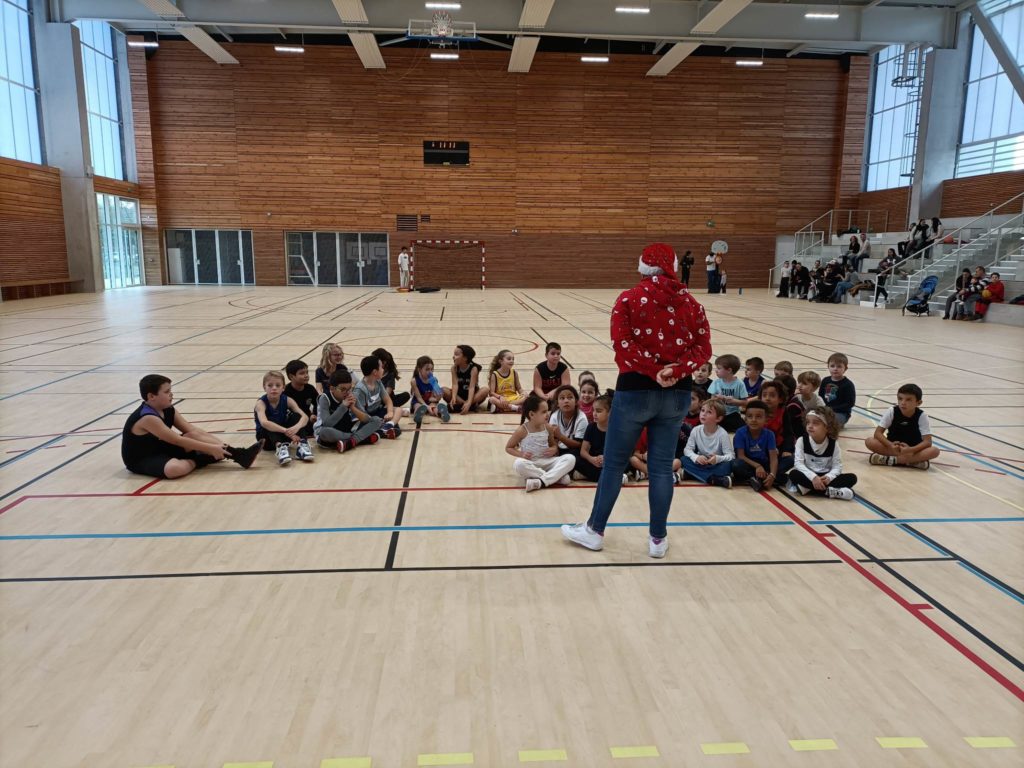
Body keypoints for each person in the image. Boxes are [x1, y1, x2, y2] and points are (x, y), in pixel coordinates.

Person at [561, 242, 712, 558]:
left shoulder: (628, 298)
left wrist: (654, 371)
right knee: (661, 468)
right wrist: (675, 370)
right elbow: (703, 348)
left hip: (635, 390)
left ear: (643, 266)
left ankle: (594, 531)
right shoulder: (692, 304)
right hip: (678, 393)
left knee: (614, 463)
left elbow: (623, 344)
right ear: (672, 266)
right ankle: (657, 539)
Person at [122, 374, 260, 479]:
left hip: (162, 448)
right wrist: (210, 448)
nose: (171, 394)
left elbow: (191, 431)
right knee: (174, 469)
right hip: (144, 458)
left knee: (194, 435)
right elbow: (177, 440)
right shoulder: (147, 417)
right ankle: (199, 459)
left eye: (171, 390)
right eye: (166, 392)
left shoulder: (168, 409)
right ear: (151, 396)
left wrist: (217, 446)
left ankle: (238, 454)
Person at [506, 394, 575, 492]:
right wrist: (521, 454)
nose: (548, 414)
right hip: (531, 463)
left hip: (548, 462)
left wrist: (554, 449)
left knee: (570, 458)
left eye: (547, 411)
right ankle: (555, 478)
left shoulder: (548, 427)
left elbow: (553, 445)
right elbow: (509, 447)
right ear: (532, 414)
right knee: (518, 464)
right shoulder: (522, 430)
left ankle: (540, 481)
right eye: (544, 412)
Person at [787, 407, 858, 500]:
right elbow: (798, 464)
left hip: (825, 477)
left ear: (827, 427)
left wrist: (829, 477)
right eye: (808, 422)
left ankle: (807, 489)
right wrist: (813, 477)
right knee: (793, 474)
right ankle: (831, 492)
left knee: (852, 478)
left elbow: (837, 467)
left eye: (815, 423)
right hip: (809, 475)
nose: (810, 426)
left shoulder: (833, 444)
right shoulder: (801, 441)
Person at [865, 383, 940, 470]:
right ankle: (912, 461)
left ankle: (891, 460)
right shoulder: (892, 411)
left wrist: (911, 449)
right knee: (869, 441)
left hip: (912, 450)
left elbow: (927, 442)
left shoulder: (922, 416)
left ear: (918, 403)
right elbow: (878, 433)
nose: (903, 403)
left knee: (935, 451)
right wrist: (890, 445)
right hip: (893, 448)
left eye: (908, 400)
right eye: (900, 399)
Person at [315, 368, 382, 452]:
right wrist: (343, 406)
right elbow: (327, 424)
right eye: (343, 389)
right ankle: (359, 439)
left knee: (377, 420)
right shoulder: (324, 398)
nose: (347, 392)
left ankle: (350, 442)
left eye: (349, 388)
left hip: (347, 430)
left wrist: (353, 408)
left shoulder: (351, 396)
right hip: (332, 434)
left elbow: (367, 419)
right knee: (325, 432)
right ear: (332, 388)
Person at [254, 370, 314, 465]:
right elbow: (264, 423)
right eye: (270, 385)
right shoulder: (261, 403)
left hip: (284, 435)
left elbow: (305, 417)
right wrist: (287, 431)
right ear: (264, 387)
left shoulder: (287, 400)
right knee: (269, 422)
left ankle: (303, 445)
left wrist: (296, 427)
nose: (274, 388)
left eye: (278, 385)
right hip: (266, 439)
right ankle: (280, 448)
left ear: (283, 387)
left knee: (297, 416)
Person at [681, 400, 733, 488]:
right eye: (702, 410)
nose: (703, 414)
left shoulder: (722, 434)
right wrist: (696, 457)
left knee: (728, 466)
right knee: (684, 459)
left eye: (709, 412)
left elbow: (731, 456)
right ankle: (713, 479)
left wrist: (718, 458)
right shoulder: (696, 430)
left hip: (716, 465)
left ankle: (692, 474)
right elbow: (687, 450)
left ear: (718, 418)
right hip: (701, 464)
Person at [356, 355, 402, 438]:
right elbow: (361, 413)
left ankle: (389, 425)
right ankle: (383, 431)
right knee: (368, 426)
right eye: (381, 367)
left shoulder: (378, 382)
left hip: (378, 411)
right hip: (367, 417)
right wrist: (375, 420)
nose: (383, 369)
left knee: (398, 410)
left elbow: (388, 400)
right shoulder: (360, 389)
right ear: (375, 372)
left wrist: (390, 412)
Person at [575, 390, 614, 483]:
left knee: (628, 461)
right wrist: (591, 459)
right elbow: (583, 451)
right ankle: (615, 477)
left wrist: (606, 458)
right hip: (594, 462)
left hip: (610, 461)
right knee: (575, 458)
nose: (594, 414)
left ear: (610, 412)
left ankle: (590, 476)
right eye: (593, 410)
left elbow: (620, 452)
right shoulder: (591, 427)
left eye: (599, 411)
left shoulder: (615, 429)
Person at [708, 353, 747, 432]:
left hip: (732, 413)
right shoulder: (716, 382)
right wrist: (718, 399)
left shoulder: (739, 384)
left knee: (744, 429)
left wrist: (733, 401)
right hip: (718, 412)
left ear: (729, 370)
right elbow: (712, 400)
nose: (716, 370)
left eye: (719, 368)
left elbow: (745, 402)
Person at [549, 384, 588, 458]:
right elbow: (553, 440)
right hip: (559, 449)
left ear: (576, 401)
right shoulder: (554, 416)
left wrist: (560, 436)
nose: (566, 401)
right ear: (557, 403)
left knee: (573, 457)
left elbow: (579, 444)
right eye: (562, 398)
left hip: (575, 451)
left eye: (570, 397)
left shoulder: (582, 418)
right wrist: (555, 449)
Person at [447, 344, 488, 414]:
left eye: (456, 354)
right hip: (459, 396)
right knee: (443, 390)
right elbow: (455, 385)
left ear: (465, 358)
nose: (453, 356)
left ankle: (464, 405)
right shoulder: (454, 368)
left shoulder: (473, 369)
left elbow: (471, 387)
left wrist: (469, 402)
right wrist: (453, 398)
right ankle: (467, 406)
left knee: (485, 390)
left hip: (472, 396)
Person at [818, 353, 855, 428]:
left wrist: (831, 409)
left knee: (829, 423)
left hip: (841, 413)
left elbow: (849, 403)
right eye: (832, 366)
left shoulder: (848, 384)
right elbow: (820, 396)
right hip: (825, 411)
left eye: (839, 366)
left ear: (845, 368)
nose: (835, 369)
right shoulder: (825, 380)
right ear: (828, 367)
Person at [411, 355, 450, 425]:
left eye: (432, 369)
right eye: (427, 369)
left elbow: (431, 398)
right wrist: (426, 407)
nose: (430, 372)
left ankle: (442, 414)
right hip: (419, 402)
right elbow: (419, 398)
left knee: (434, 407)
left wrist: (437, 397)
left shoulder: (434, 380)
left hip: (429, 401)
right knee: (417, 406)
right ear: (419, 369)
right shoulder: (414, 381)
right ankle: (418, 415)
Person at [487, 349, 526, 413]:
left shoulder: (514, 372)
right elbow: (491, 393)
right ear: (501, 361)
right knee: (492, 399)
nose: (511, 361)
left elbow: (519, 388)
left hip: (513, 398)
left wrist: (523, 393)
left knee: (527, 398)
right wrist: (500, 397)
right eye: (509, 359)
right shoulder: (495, 374)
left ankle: (501, 408)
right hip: (501, 399)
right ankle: (516, 408)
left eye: (513, 359)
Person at [284, 359, 319, 425]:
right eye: (302, 373)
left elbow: (318, 404)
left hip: (308, 419)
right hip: (291, 422)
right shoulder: (285, 392)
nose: (306, 375)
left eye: (307, 372)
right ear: (291, 376)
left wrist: (314, 414)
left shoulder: (310, 388)